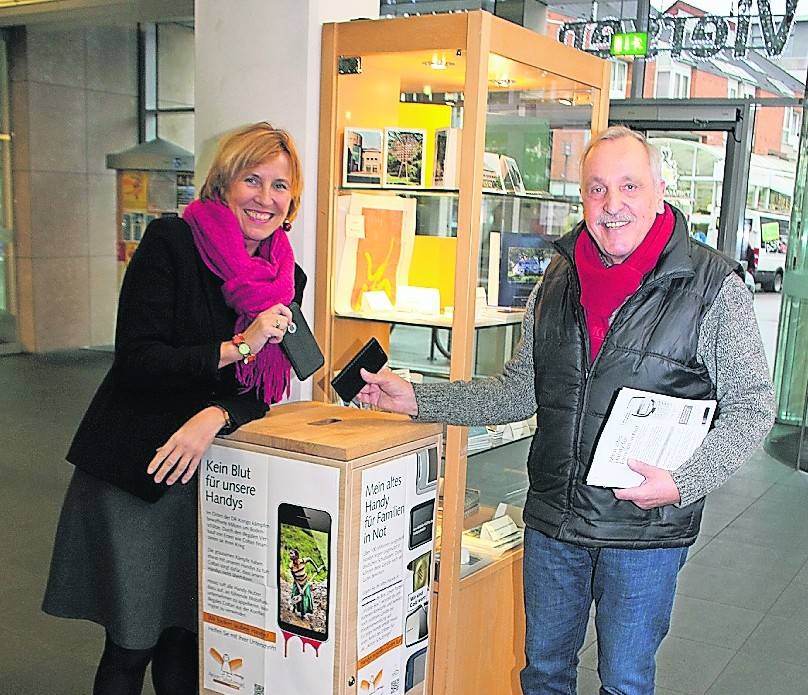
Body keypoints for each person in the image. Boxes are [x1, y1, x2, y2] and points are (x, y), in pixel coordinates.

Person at [358, 126, 775, 695]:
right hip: (555, 522)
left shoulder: (712, 285)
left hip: (646, 529)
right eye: (597, 189)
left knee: (625, 682)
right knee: (544, 675)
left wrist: (683, 483)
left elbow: (752, 407)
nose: (613, 205)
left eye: (629, 186)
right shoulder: (555, 279)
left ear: (659, 190)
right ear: (583, 198)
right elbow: (515, 393)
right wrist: (416, 398)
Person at [43, 122, 307, 695]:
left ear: (293, 200)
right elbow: (138, 358)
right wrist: (238, 347)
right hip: (140, 467)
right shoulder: (172, 244)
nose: (265, 198)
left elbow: (261, 390)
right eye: (252, 180)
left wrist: (214, 416)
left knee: (186, 636)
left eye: (280, 186)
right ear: (223, 184)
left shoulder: (288, 278)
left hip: (211, 470)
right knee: (131, 641)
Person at [287, 548, 323, 620]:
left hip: (305, 582)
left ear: (296, 555)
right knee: (295, 595)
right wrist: (300, 588)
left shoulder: (302, 561)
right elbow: (295, 578)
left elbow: (309, 559)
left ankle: (303, 614)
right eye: (289, 553)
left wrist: (316, 568)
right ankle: (294, 608)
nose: (290, 555)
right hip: (297, 583)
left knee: (305, 598)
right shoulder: (291, 566)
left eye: (292, 553)